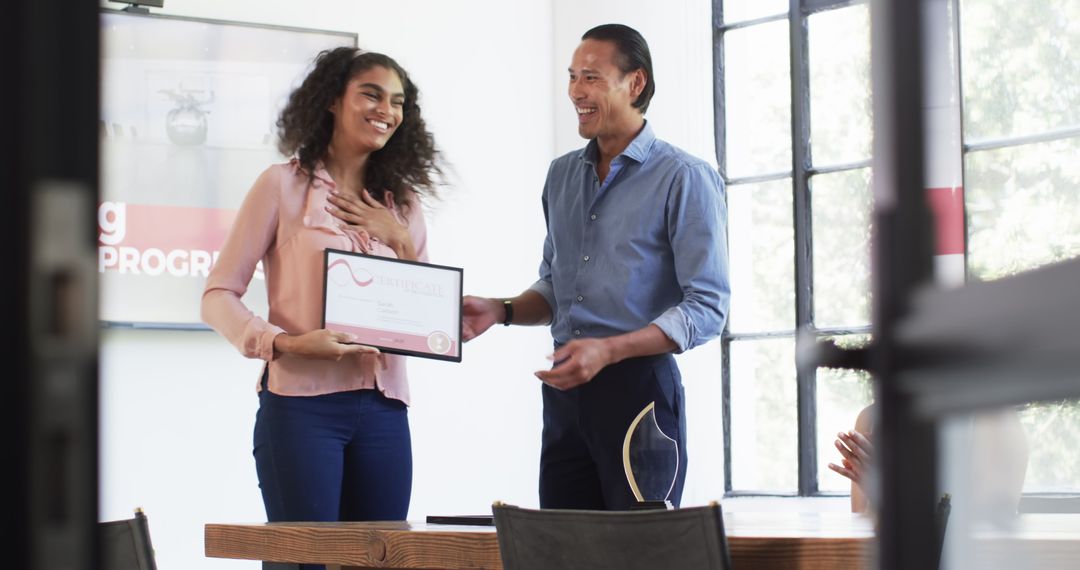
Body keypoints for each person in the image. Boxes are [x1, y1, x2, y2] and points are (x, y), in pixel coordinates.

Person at [462, 24, 729, 510]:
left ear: (636, 83)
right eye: (571, 78)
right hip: (566, 397)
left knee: (641, 555)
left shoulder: (685, 178)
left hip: (641, 395)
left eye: (591, 78)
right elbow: (555, 285)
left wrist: (608, 351)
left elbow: (708, 308)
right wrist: (499, 310)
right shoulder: (561, 175)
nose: (576, 93)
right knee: (561, 551)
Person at [201, 47, 442, 566]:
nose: (387, 110)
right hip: (301, 410)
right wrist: (282, 343)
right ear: (334, 100)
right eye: (371, 94)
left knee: (382, 561)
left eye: (398, 101)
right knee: (301, 563)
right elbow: (218, 294)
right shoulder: (280, 186)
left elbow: (426, 322)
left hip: (384, 411)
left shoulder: (403, 206)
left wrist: (398, 239)